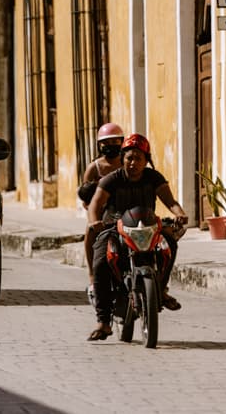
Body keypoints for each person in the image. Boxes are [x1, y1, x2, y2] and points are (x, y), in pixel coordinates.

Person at [86, 133, 189, 341]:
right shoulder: (112, 179)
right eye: (129, 158)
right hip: (115, 227)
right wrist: (94, 221)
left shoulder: (154, 177)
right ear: (122, 158)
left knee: (169, 244)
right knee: (100, 262)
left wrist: (179, 213)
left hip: (147, 226)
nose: (133, 163)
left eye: (138, 159)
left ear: (146, 160)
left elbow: (170, 201)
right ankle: (103, 322)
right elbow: (95, 204)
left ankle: (161, 288)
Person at [79, 122, 125, 292]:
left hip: (126, 210)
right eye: (106, 142)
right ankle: (92, 275)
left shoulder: (128, 163)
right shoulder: (94, 168)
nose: (111, 146)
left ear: (122, 142)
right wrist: (96, 213)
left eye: (115, 142)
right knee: (89, 233)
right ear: (99, 145)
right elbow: (86, 198)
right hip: (103, 212)